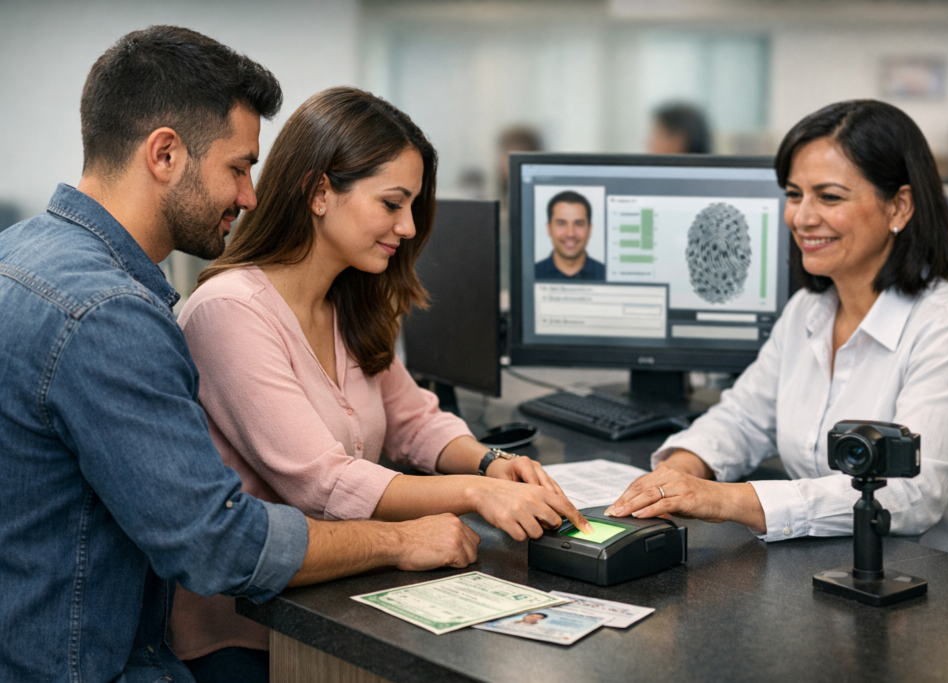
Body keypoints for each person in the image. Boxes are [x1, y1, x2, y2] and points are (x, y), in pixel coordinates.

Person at [0, 27, 480, 683]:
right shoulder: (111, 314)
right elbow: (218, 543)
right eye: (239, 166)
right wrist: (403, 535)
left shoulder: (18, 255)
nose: (251, 195)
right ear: (164, 154)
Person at [167, 86, 591, 674]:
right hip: (249, 632)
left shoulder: (349, 300)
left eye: (413, 206)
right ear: (320, 192)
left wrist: (490, 461)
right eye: (393, 204)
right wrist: (477, 492)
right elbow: (322, 483)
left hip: (346, 595)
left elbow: (414, 419)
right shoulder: (229, 312)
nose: (410, 226)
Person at [608, 99, 948, 565]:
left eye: (829, 197)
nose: (802, 217)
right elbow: (744, 418)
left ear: (899, 207)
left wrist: (723, 499)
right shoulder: (809, 310)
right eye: (793, 194)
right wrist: (683, 468)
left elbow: (909, 495)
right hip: (837, 565)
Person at [535, 190, 605, 280]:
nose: (570, 233)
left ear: (589, 230)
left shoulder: (606, 275)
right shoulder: (531, 275)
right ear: (549, 228)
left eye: (578, 224)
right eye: (561, 223)